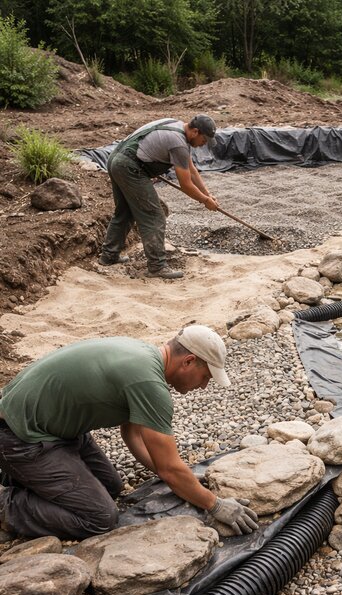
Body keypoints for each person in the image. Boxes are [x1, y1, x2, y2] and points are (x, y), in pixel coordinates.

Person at [0, 325, 258, 540]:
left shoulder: (144, 355)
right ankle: (7, 505)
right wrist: (215, 504)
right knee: (100, 517)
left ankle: (29, 478)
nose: (203, 386)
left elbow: (132, 434)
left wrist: (181, 480)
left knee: (111, 486)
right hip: (21, 437)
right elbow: (169, 467)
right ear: (189, 361)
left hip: (55, 430)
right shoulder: (149, 384)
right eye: (206, 377)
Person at [100, 115, 219, 280]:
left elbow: (191, 169)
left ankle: (109, 256)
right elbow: (185, 184)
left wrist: (207, 194)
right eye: (204, 140)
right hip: (129, 167)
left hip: (117, 160)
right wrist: (205, 201)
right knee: (154, 216)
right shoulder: (178, 143)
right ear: (195, 131)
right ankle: (157, 267)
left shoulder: (177, 126)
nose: (203, 144)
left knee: (125, 211)